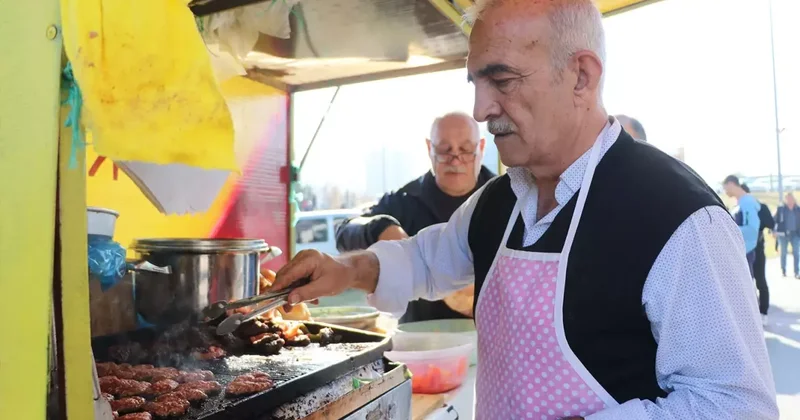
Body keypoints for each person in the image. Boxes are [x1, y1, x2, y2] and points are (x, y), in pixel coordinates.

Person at [274, 1, 778, 418]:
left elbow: (735, 405)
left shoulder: (679, 218)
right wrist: (344, 270)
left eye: (503, 80)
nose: (481, 109)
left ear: (581, 75)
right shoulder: (500, 201)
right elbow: (426, 261)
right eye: (474, 83)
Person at [335, 111, 495, 323]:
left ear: (481, 148)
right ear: (430, 148)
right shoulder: (404, 201)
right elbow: (344, 231)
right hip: (418, 341)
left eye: (465, 150)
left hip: (491, 340)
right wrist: (381, 228)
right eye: (444, 150)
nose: (455, 160)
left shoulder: (505, 199)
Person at [741, 183, 774, 325]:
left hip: (757, 248)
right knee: (746, 282)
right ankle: (749, 313)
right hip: (743, 249)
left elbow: (770, 223)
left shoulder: (760, 207)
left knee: (760, 279)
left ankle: (763, 312)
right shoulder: (738, 209)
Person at [723, 175, 762, 277]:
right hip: (740, 252)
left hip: (746, 252)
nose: (725, 192)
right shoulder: (740, 203)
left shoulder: (747, 203)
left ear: (731, 184)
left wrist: (728, 231)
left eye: (725, 188)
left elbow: (752, 228)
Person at [774, 192, 800, 278]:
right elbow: (775, 220)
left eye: (791, 198)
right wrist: (774, 231)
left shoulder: (798, 209)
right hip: (783, 234)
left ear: (794, 199)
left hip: (795, 234)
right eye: (788, 198)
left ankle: (796, 271)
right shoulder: (781, 209)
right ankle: (783, 270)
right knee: (783, 252)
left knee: (796, 252)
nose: (789, 200)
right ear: (785, 199)